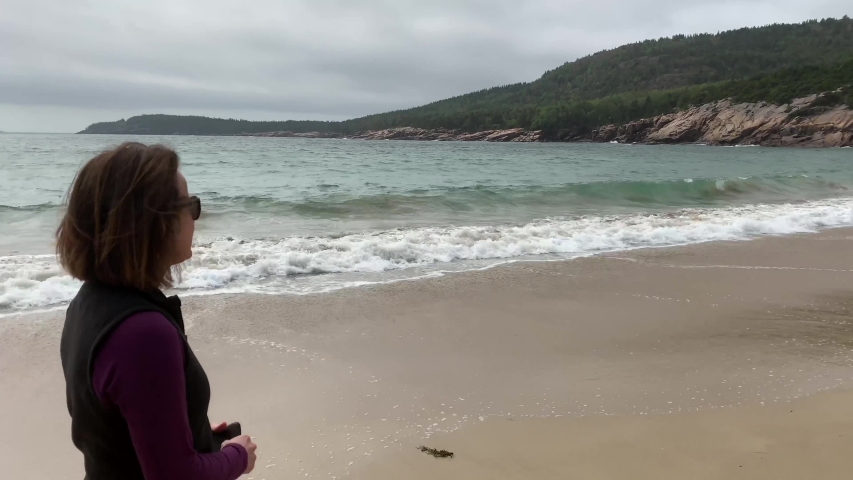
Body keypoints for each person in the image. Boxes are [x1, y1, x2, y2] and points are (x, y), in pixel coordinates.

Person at [57, 142, 257, 479]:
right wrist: (237, 455)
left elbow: (117, 432)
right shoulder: (142, 332)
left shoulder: (87, 304)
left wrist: (189, 430)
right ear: (154, 221)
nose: (196, 217)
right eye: (191, 206)